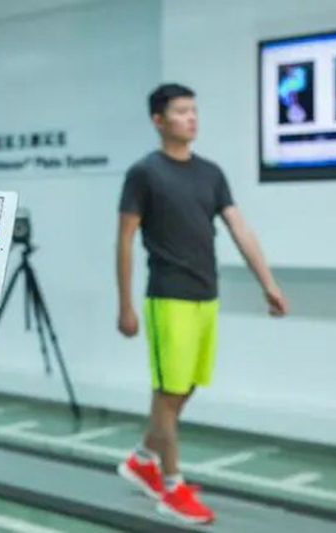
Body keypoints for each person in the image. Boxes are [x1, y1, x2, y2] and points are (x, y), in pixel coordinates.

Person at [116, 83, 289, 524]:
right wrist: (125, 305)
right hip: (168, 298)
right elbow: (124, 239)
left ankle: (142, 459)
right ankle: (171, 486)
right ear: (158, 121)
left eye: (194, 110)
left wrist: (267, 283)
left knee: (184, 389)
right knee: (168, 393)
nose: (191, 118)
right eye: (181, 111)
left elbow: (239, 227)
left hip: (205, 296)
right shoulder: (144, 173)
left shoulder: (211, 173)